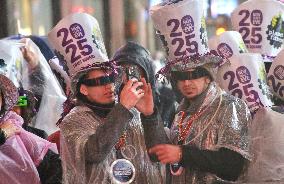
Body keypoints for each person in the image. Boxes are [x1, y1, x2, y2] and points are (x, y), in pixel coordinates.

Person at [48, 13, 163, 184]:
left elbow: (159, 155)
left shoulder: (130, 110)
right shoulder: (72, 121)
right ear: (83, 89)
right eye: (99, 81)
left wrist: (150, 116)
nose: (109, 86)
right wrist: (122, 109)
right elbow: (95, 152)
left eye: (110, 79)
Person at [138, 54, 252, 183]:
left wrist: (182, 154)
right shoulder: (182, 112)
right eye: (181, 77)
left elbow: (233, 166)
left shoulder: (229, 106)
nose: (186, 83)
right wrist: (150, 114)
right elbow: (161, 155)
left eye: (194, 75)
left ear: (208, 77)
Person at [0, 74, 62, 184]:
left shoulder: (19, 131)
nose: (16, 109)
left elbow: (54, 164)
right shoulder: (7, 129)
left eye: (20, 105)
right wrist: (3, 133)